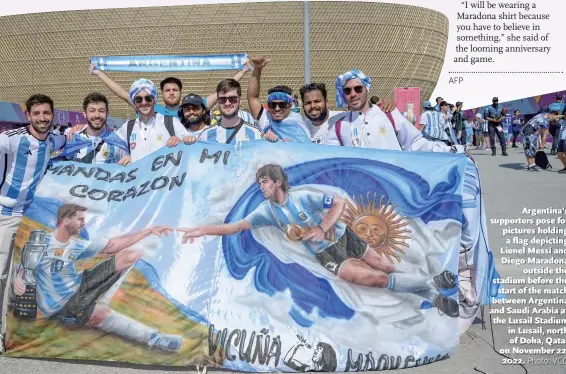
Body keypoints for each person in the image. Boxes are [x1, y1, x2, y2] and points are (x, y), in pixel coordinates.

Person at [178, 164, 459, 317]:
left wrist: (324, 226)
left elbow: (337, 202)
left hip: (344, 238)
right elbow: (236, 226)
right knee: (373, 280)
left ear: (277, 181)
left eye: (264, 181)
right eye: (259, 183)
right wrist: (203, 230)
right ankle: (435, 283)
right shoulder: (265, 211)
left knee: (386, 268)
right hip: (326, 255)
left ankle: (434, 297)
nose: (261, 187)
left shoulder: (302, 196)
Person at [12, 204, 183, 352]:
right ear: (65, 220)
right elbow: (24, 267)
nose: (83, 223)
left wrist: (147, 232)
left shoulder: (75, 245)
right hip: (64, 304)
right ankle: (155, 338)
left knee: (131, 255)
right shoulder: (41, 243)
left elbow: (112, 246)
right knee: (100, 315)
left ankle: (100, 301)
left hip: (82, 284)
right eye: (79, 219)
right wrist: (18, 279)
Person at [0, 94, 67, 356]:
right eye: (36, 114)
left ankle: (30, 329)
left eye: (46, 113)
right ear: (28, 115)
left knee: (36, 273)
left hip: (33, 216)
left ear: (53, 114)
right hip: (4, 213)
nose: (42, 118)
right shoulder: (11, 139)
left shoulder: (55, 139)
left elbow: (69, 140)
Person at [328, 69, 463, 153]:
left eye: (358, 89)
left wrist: (450, 150)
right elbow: (324, 156)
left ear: (366, 89)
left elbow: (415, 143)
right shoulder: (339, 126)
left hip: (392, 192)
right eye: (347, 90)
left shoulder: (389, 113)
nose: (353, 94)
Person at [88, 64, 252, 119]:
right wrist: (98, 73)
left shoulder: (192, 109)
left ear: (181, 93)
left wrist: (243, 71)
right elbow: (122, 93)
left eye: (175, 90)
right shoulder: (150, 109)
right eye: (168, 90)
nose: (172, 93)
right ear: (161, 94)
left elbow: (221, 93)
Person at [298, 82, 396, 145]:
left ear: (327, 102)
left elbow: (365, 113)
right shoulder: (300, 128)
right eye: (308, 103)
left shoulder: (343, 119)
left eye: (317, 101)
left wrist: (384, 106)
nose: (312, 106)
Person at [246, 56, 311, 143]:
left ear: (289, 105)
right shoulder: (266, 118)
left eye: (282, 105)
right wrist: (257, 69)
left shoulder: (299, 122)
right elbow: (252, 97)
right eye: (273, 105)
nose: (277, 109)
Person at [62, 93, 129, 164]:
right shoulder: (73, 139)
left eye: (101, 111)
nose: (97, 115)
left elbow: (130, 166)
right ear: (85, 114)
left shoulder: (116, 141)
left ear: (107, 113)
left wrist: (131, 159)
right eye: (92, 111)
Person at [200, 79, 262, 144]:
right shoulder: (205, 136)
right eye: (222, 99)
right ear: (217, 102)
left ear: (240, 101)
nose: (227, 103)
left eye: (232, 99)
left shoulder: (256, 134)